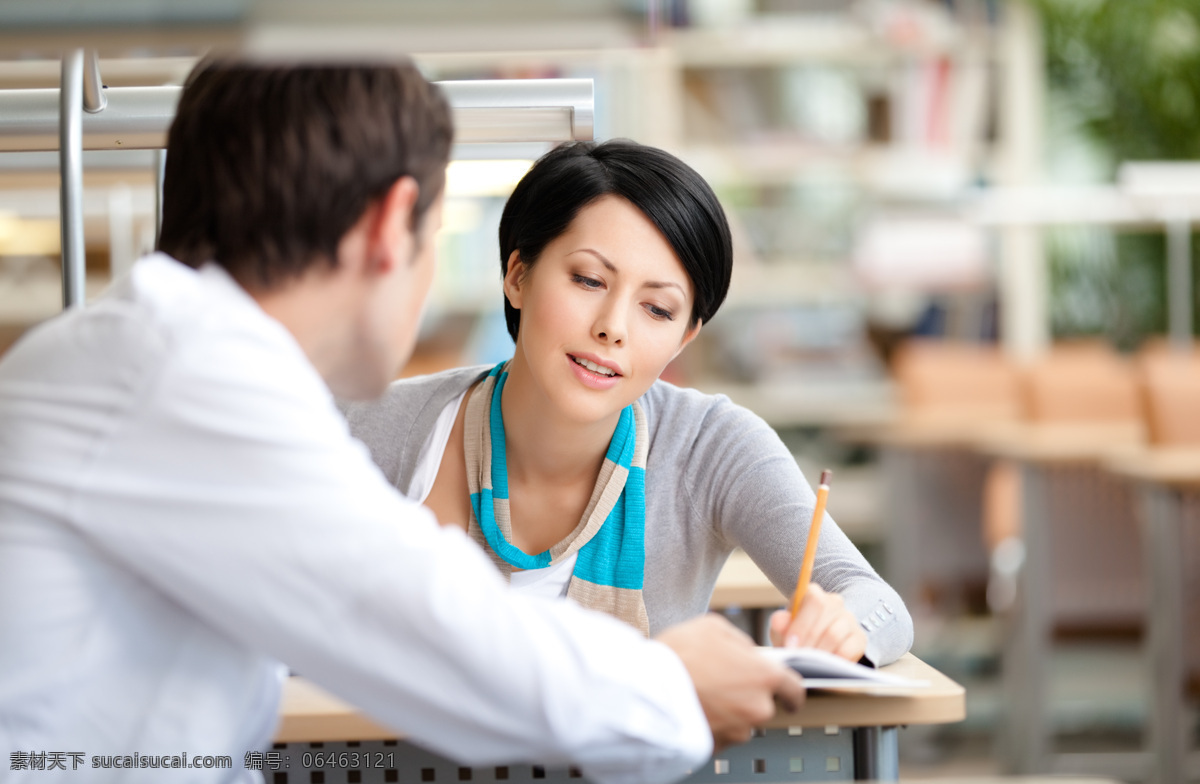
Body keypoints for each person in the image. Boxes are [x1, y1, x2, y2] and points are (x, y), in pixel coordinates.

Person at [0, 59, 808, 783]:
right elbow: (424, 622)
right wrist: (668, 682)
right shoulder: (185, 376)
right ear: (394, 225)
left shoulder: (168, 354)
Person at [343, 140, 913, 666]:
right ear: (518, 276)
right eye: (589, 280)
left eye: (658, 310)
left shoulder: (712, 447)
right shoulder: (372, 426)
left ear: (685, 337)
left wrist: (845, 630)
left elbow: (877, 603)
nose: (613, 328)